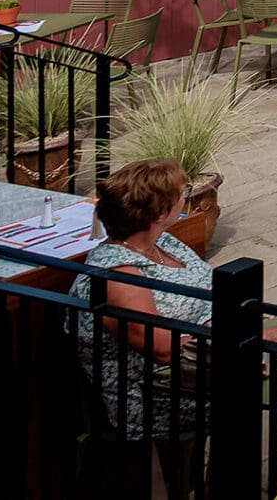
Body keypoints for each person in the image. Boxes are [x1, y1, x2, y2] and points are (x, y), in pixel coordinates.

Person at [68, 158, 211, 480]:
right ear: (160, 213)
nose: (186, 197)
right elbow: (162, 348)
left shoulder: (160, 240)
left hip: (200, 363)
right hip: (157, 393)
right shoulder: (118, 275)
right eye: (182, 193)